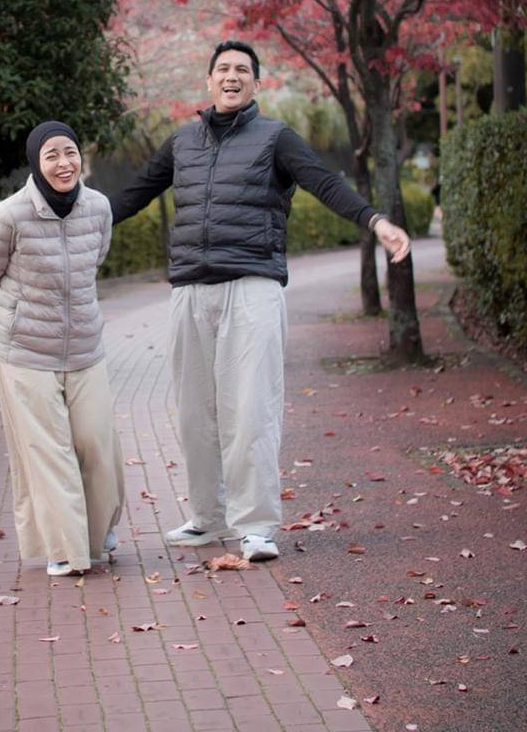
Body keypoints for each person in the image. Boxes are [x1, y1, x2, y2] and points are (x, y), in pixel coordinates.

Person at [110, 41, 411, 563]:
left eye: (242, 71)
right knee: (194, 412)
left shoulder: (276, 138)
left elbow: (323, 182)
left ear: (256, 85)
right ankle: (207, 517)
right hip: (189, 291)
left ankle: (255, 527)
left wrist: (375, 221)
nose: (232, 76)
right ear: (208, 82)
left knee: (250, 410)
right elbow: (133, 195)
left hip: (252, 288)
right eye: (223, 69)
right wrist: (69, 217)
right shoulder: (183, 140)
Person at [0, 121, 124, 577]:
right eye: (52, 155)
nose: (64, 163)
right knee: (48, 449)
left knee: (95, 442)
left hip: (83, 345)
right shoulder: (9, 215)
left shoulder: (98, 208)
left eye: (70, 153)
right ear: (37, 163)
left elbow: (94, 261)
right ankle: (65, 547)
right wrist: (15, 315)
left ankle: (96, 533)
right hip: (24, 349)